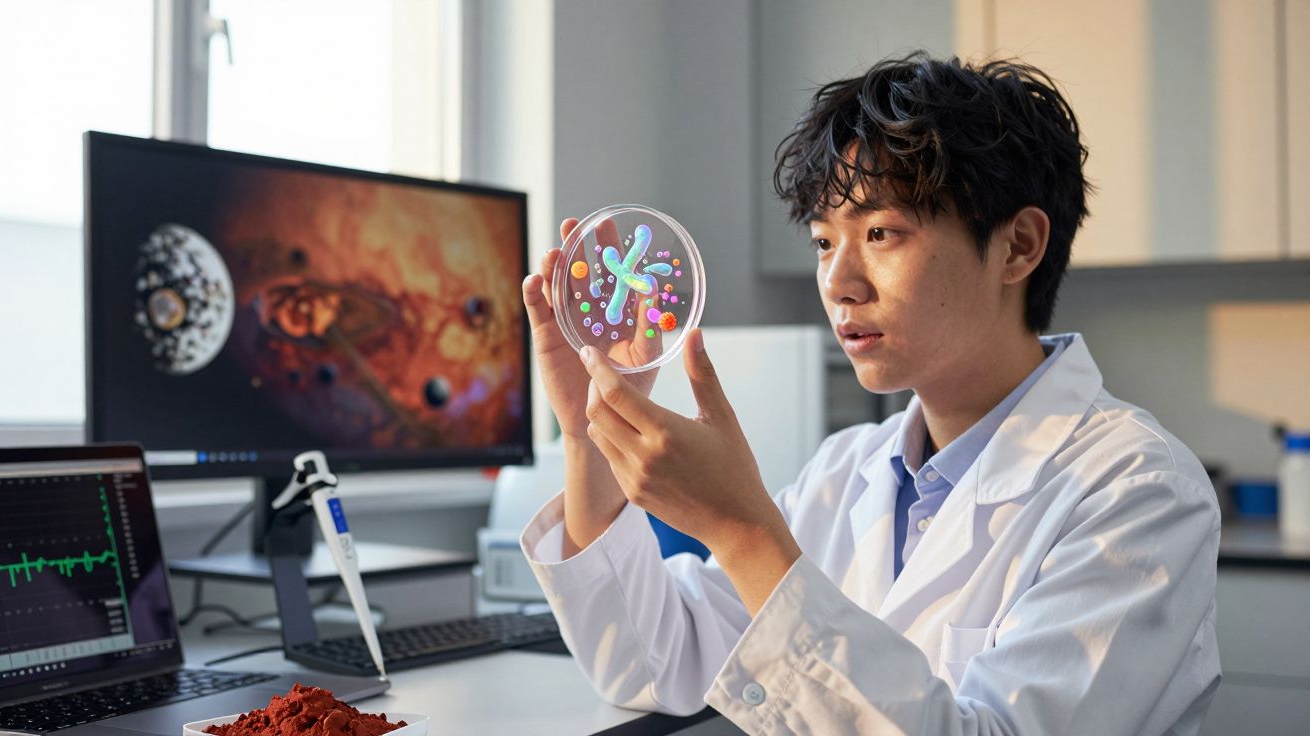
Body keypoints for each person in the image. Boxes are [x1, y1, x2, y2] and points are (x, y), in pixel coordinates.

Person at [517, 52, 1220, 735]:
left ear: (1018, 247)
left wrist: (742, 531)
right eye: (824, 242)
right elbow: (655, 666)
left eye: (881, 233)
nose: (838, 283)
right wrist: (589, 434)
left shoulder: (1139, 492)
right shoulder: (845, 470)